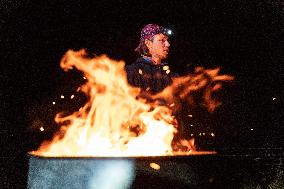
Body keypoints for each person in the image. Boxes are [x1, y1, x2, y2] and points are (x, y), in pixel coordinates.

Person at [126, 24, 176, 94]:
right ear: (148, 43)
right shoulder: (132, 73)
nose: (168, 44)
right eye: (161, 40)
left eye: (167, 40)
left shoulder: (169, 75)